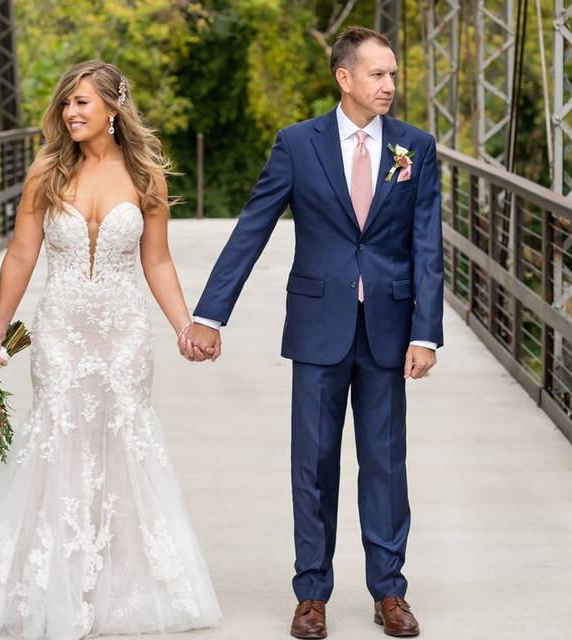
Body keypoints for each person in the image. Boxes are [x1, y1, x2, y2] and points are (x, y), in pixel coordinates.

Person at [0, 60, 222, 639]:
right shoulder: (46, 172)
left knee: (124, 439)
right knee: (56, 439)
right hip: (60, 330)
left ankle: (120, 582)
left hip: (123, 333)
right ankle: (50, 580)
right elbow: (21, 254)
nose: (71, 113)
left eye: (83, 103)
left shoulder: (146, 178)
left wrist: (183, 326)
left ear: (113, 110)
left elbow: (156, 260)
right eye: (66, 103)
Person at [182, 26, 444, 639]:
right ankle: (312, 595)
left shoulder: (415, 148)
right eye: (377, 74)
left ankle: (389, 592)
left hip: (389, 325)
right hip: (318, 326)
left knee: (385, 463)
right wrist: (208, 313)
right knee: (314, 462)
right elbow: (254, 226)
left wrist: (425, 334)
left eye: (393, 74)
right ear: (344, 78)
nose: (389, 84)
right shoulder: (298, 144)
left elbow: (426, 244)